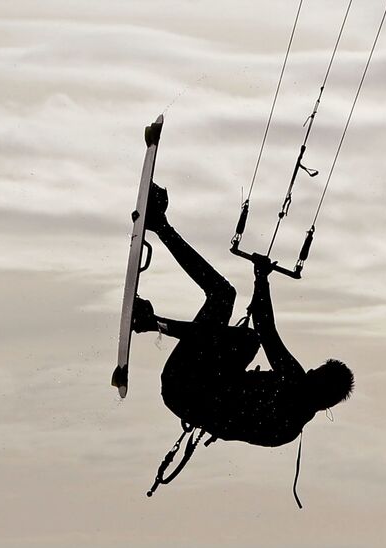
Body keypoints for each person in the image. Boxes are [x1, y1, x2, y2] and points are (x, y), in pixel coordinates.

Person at [132, 183, 354, 447]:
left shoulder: (296, 384)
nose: (310, 371)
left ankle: (151, 317)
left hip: (188, 384)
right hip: (184, 397)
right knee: (237, 326)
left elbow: (265, 329)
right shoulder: (288, 432)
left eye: (316, 373)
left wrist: (261, 278)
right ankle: (152, 309)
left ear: (321, 389)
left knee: (229, 305)